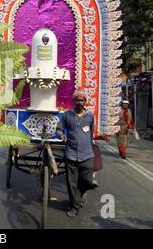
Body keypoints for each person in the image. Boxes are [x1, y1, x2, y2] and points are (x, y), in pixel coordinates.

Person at [56, 88, 95, 218]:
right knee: (71, 184)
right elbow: (59, 129)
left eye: (82, 100)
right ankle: (74, 206)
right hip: (71, 154)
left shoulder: (90, 116)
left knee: (88, 181)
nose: (80, 102)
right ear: (73, 101)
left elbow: (90, 133)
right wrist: (61, 134)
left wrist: (90, 146)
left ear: (85, 102)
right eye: (77, 100)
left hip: (87, 155)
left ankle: (78, 197)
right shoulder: (67, 115)